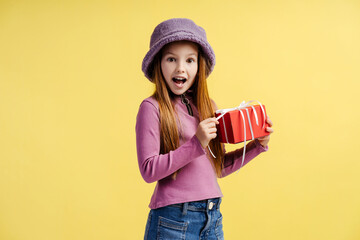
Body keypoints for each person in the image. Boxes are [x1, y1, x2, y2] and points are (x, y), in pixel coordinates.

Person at [136, 18, 274, 240]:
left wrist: (257, 145)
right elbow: (148, 170)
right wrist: (196, 143)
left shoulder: (208, 106)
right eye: (171, 59)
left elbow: (217, 168)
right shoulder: (152, 108)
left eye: (190, 60)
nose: (181, 67)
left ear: (199, 66)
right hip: (173, 220)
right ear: (158, 63)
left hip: (212, 217)